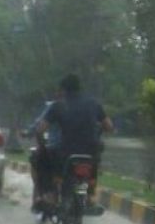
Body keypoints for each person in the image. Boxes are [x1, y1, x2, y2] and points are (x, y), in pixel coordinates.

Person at [34, 73, 113, 210]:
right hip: (90, 151)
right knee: (95, 157)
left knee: (40, 157)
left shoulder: (58, 106)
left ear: (63, 90)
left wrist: (41, 144)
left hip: (65, 152)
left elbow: (40, 129)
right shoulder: (93, 103)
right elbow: (109, 126)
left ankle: (51, 194)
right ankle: (88, 195)